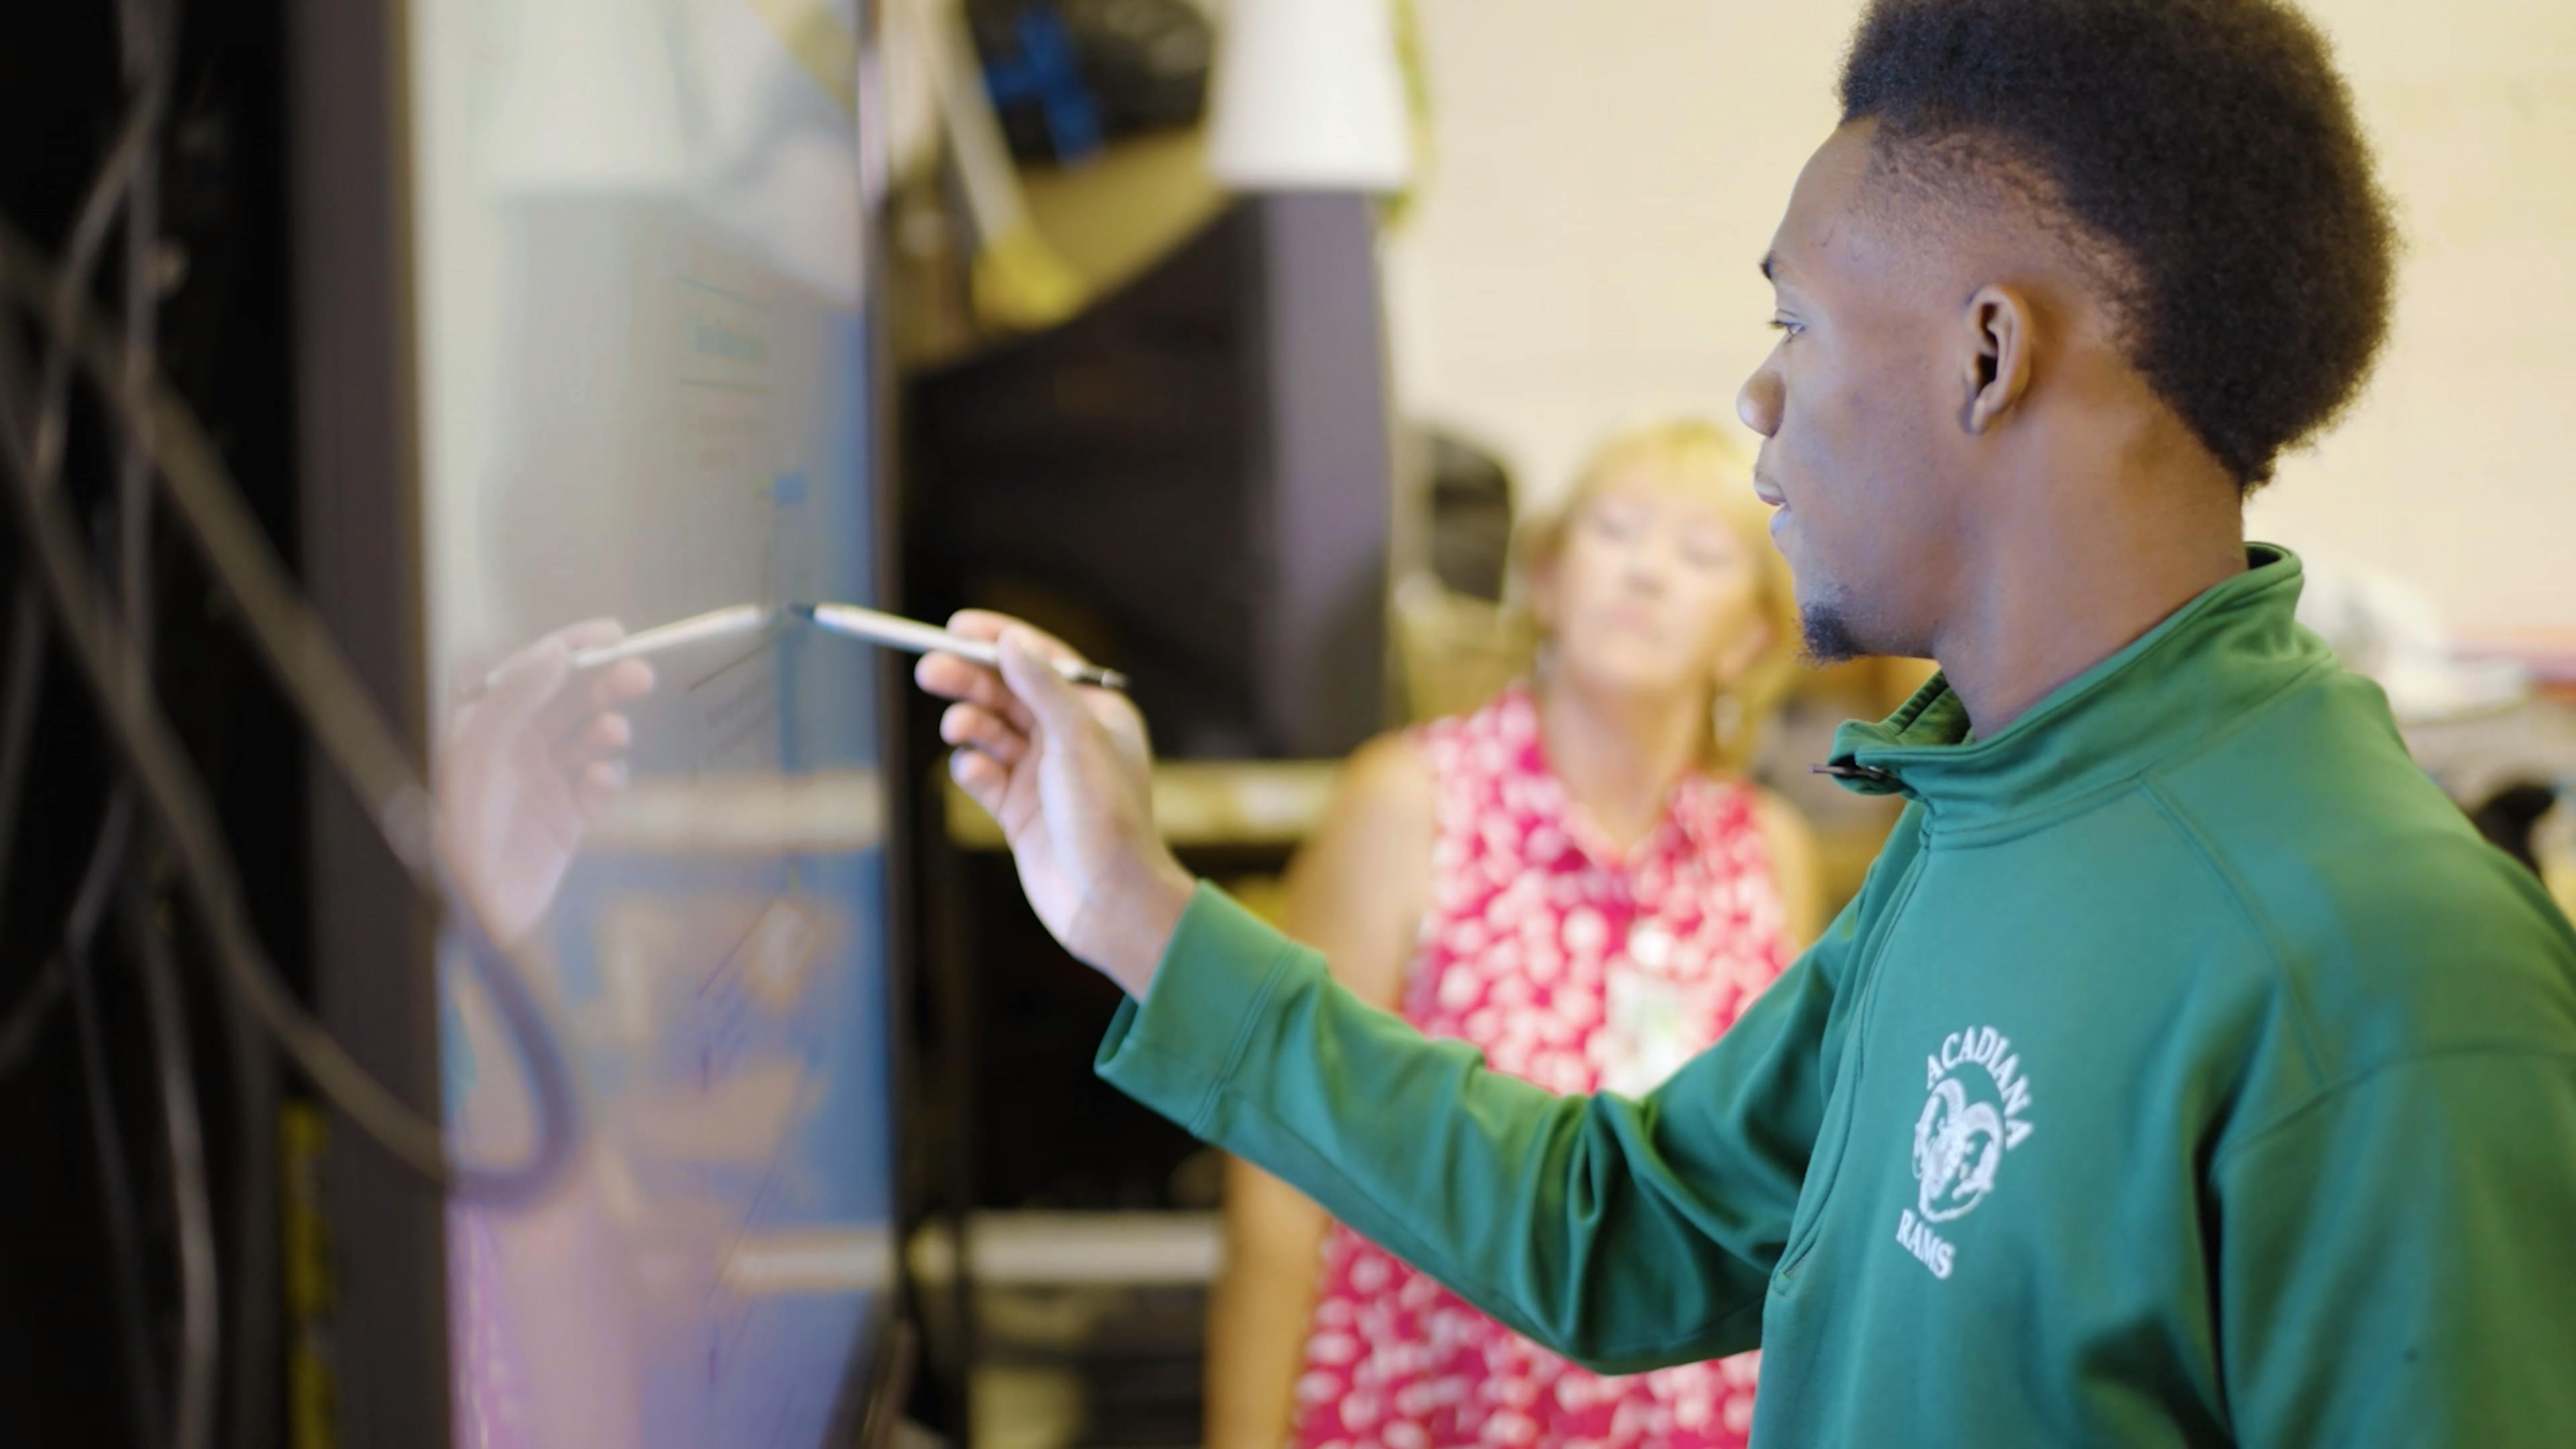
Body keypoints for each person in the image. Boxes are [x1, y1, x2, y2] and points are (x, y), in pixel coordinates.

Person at [917, 0, 2576, 1442]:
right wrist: (1133, 909)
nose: (1756, 399)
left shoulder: (2383, 967)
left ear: (1988, 355)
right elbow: (1617, 1226)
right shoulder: (1982, 819)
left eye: (1794, 321)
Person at [1208, 422, 1819, 1449]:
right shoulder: (1409, 801)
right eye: (1616, 530)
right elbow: (1281, 1169)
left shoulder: (1770, 851)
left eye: (1701, 551)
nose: (1647, 571)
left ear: (1752, 637)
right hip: (1437, 1408)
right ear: (1546, 577)